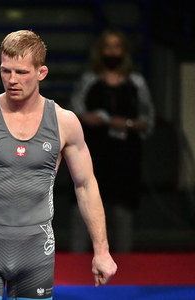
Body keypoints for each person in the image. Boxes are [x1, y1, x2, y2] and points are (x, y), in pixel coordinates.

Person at [0, 30, 117, 299]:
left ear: (42, 72)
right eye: (6, 71)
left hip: (36, 253)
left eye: (22, 72)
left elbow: (85, 186)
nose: (12, 80)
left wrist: (102, 250)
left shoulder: (64, 122)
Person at [69, 29, 155, 253]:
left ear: (124, 51)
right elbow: (74, 112)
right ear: (100, 51)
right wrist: (87, 118)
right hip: (92, 154)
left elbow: (148, 119)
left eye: (117, 46)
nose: (112, 51)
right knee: (84, 210)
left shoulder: (136, 82)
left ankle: (122, 272)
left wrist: (126, 124)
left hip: (125, 158)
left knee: (122, 214)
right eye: (108, 46)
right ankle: (76, 271)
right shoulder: (88, 80)